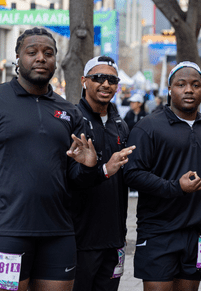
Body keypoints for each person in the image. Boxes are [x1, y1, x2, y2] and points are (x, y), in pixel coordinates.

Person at [0, 27, 97, 291]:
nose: (41, 58)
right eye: (32, 52)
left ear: (56, 61)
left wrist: (88, 167)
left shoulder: (68, 111)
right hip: (8, 231)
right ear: (18, 58)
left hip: (59, 233)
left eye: (48, 53)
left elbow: (74, 179)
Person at [123, 61, 201, 291]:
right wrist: (174, 187)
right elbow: (132, 174)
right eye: (181, 84)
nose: (189, 89)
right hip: (159, 231)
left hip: (198, 232)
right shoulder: (147, 127)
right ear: (170, 89)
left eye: (195, 85)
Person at [71, 56, 136, 291]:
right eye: (98, 78)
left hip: (115, 237)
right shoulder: (73, 120)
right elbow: (71, 179)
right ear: (84, 81)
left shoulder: (121, 124)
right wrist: (103, 169)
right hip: (81, 238)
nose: (105, 84)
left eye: (111, 79)